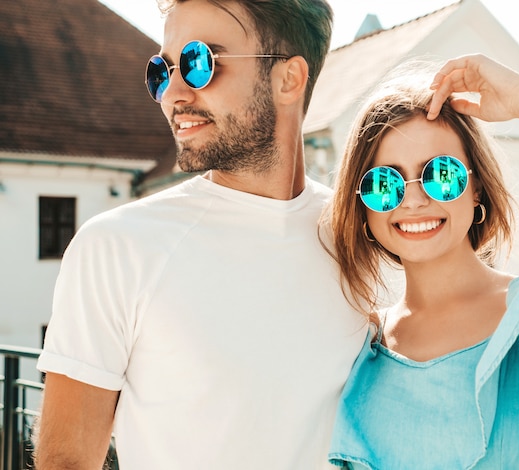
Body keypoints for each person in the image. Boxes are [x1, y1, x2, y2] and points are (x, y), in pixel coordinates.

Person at [33, 0, 367, 468]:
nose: (172, 93)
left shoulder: (365, 240)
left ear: (288, 79)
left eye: (197, 62)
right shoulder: (118, 247)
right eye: (161, 70)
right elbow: (66, 461)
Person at [323, 54, 519, 469]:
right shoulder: (358, 348)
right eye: (383, 183)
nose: (413, 199)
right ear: (362, 208)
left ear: (476, 188)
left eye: (440, 174)